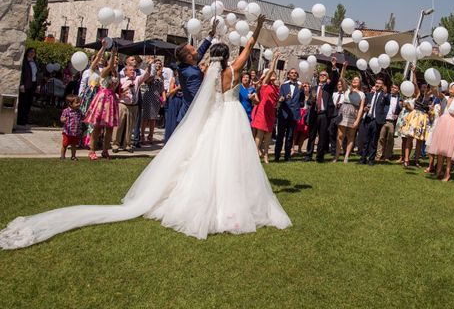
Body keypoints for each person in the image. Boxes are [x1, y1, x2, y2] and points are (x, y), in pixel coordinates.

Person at [0, 15, 291, 251]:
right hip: (229, 116)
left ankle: (203, 197)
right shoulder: (213, 71)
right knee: (228, 159)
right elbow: (247, 46)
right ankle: (227, 204)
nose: (194, 53)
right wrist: (260, 26)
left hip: (215, 116)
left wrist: (209, 35)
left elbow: (203, 57)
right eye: (191, 51)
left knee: (207, 155)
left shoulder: (204, 70)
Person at [83, 47, 119, 160]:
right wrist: (112, 54)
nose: (116, 61)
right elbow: (110, 66)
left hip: (111, 100)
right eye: (114, 59)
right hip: (102, 98)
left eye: (117, 59)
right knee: (97, 127)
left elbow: (116, 83)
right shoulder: (104, 71)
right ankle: (92, 150)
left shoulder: (116, 73)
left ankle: (105, 150)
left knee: (109, 128)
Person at [175, 27, 215, 123]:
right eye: (193, 49)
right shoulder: (192, 73)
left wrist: (211, 35)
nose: (196, 50)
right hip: (191, 117)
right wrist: (206, 73)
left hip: (186, 113)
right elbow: (198, 96)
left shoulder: (186, 66)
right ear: (189, 57)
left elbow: (200, 52)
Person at [305, 58, 339, 162]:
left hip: (324, 115)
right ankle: (308, 155)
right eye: (321, 75)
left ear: (327, 78)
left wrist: (333, 67)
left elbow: (335, 79)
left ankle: (319, 156)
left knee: (322, 136)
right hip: (314, 113)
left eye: (324, 75)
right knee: (311, 135)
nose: (322, 76)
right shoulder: (314, 88)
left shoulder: (329, 87)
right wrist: (311, 100)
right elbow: (309, 102)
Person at [114, 59, 152, 152]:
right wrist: (125, 89)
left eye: (134, 70)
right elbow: (117, 92)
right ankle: (115, 144)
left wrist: (149, 66)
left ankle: (127, 145)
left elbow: (146, 75)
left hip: (133, 106)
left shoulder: (137, 80)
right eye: (130, 70)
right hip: (123, 105)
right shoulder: (122, 80)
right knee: (119, 126)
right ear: (126, 72)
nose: (133, 72)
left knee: (130, 126)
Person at [427, 82, 454, 181]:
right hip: (441, 124)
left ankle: (447, 174)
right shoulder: (444, 97)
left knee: (448, 153)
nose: (451, 87)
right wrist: (435, 83)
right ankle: (438, 171)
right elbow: (434, 91)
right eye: (451, 86)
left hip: (451, 125)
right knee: (440, 150)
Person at [251, 53, 281, 163]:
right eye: (271, 74)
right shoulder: (264, 85)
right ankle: (255, 153)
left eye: (274, 75)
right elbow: (271, 70)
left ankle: (266, 156)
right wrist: (274, 59)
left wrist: (279, 100)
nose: (273, 75)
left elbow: (276, 101)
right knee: (260, 134)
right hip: (263, 111)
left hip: (271, 112)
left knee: (268, 134)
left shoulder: (276, 88)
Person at [275, 67, 304, 162]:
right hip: (284, 113)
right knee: (280, 136)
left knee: (290, 136)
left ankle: (287, 156)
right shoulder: (283, 86)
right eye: (292, 73)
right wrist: (283, 98)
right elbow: (280, 98)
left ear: (297, 75)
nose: (294, 74)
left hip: (293, 115)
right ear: (288, 75)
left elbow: (302, 102)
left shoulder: (300, 87)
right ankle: (277, 156)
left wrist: (297, 105)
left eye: (295, 73)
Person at [359, 77, 390, 165]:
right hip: (368, 119)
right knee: (365, 140)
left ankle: (371, 159)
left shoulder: (384, 96)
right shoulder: (369, 94)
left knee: (373, 141)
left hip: (376, 121)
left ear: (383, 85)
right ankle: (363, 158)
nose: (377, 84)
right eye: (376, 82)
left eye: (380, 83)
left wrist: (385, 93)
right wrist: (365, 108)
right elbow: (365, 105)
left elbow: (388, 103)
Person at [336, 72, 365, 163]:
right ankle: (336, 157)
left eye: (357, 80)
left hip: (354, 114)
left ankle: (346, 157)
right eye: (353, 79)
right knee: (340, 135)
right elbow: (341, 78)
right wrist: (344, 68)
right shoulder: (347, 90)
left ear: (360, 83)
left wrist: (357, 121)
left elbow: (361, 109)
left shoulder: (362, 94)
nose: (354, 81)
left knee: (351, 136)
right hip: (343, 112)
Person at [141, 59, 166, 145]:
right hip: (148, 97)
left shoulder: (162, 77)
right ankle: (142, 135)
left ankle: (150, 136)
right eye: (157, 63)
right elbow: (146, 81)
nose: (158, 65)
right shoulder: (152, 75)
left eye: (160, 63)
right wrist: (154, 74)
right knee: (146, 118)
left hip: (156, 99)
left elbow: (162, 89)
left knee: (153, 118)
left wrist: (164, 98)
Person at [377, 84, 402, 162]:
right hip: (384, 120)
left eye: (395, 88)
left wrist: (397, 115)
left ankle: (387, 156)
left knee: (390, 139)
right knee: (381, 138)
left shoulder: (400, 99)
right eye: (392, 87)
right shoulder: (387, 96)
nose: (393, 89)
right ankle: (378, 155)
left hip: (392, 122)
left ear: (398, 90)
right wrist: (384, 93)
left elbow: (401, 110)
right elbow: (381, 103)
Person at [17, 48, 38, 127]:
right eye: (31, 51)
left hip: (32, 85)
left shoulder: (35, 62)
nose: (32, 53)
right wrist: (21, 84)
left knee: (29, 103)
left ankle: (25, 119)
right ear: (27, 53)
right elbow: (21, 73)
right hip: (25, 85)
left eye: (34, 52)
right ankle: (20, 120)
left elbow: (37, 74)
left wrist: (38, 85)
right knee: (23, 102)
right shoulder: (24, 61)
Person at [163, 68, 183, 143]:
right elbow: (169, 93)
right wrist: (177, 88)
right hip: (175, 101)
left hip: (183, 101)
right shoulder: (174, 79)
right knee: (173, 120)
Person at [60, 95, 82, 161]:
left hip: (75, 132)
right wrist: (63, 119)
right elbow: (61, 118)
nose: (79, 104)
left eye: (79, 102)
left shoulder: (79, 111)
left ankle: (73, 156)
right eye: (77, 102)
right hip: (67, 132)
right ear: (70, 104)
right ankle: (62, 156)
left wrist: (89, 113)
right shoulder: (66, 111)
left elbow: (83, 117)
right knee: (65, 144)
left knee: (74, 145)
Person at [293, 83, 311, 156]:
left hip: (307, 115)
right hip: (299, 113)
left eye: (307, 86)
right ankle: (292, 148)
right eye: (304, 86)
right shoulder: (299, 94)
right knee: (295, 132)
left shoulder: (311, 96)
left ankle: (300, 149)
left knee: (303, 133)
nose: (305, 87)